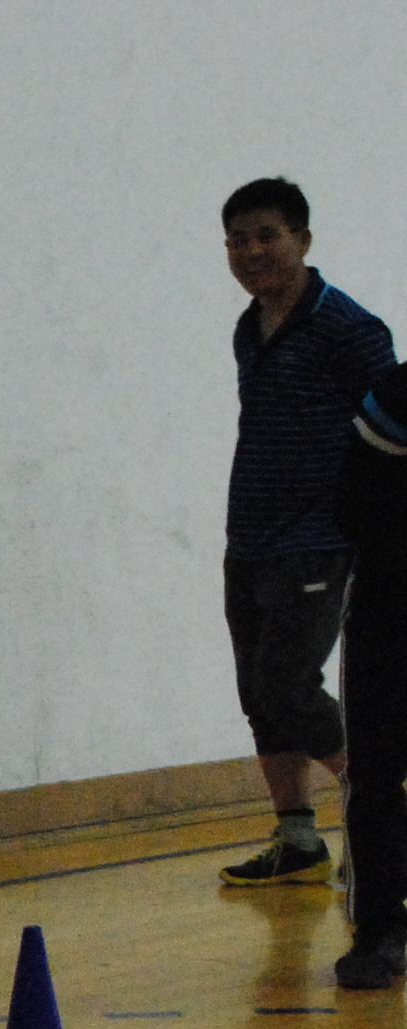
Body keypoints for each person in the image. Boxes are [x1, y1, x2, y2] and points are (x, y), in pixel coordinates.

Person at [211, 177, 397, 888]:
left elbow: (393, 429)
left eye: (268, 235)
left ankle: (383, 809)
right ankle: (298, 839)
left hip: (320, 541)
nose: (252, 250)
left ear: (303, 240)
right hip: (250, 540)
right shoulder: (249, 326)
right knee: (260, 695)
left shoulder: (350, 328)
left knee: (287, 686)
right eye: (238, 239)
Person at [333, 362, 407, 987]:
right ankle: (381, 928)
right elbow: (352, 504)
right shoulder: (397, 396)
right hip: (389, 615)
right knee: (377, 774)